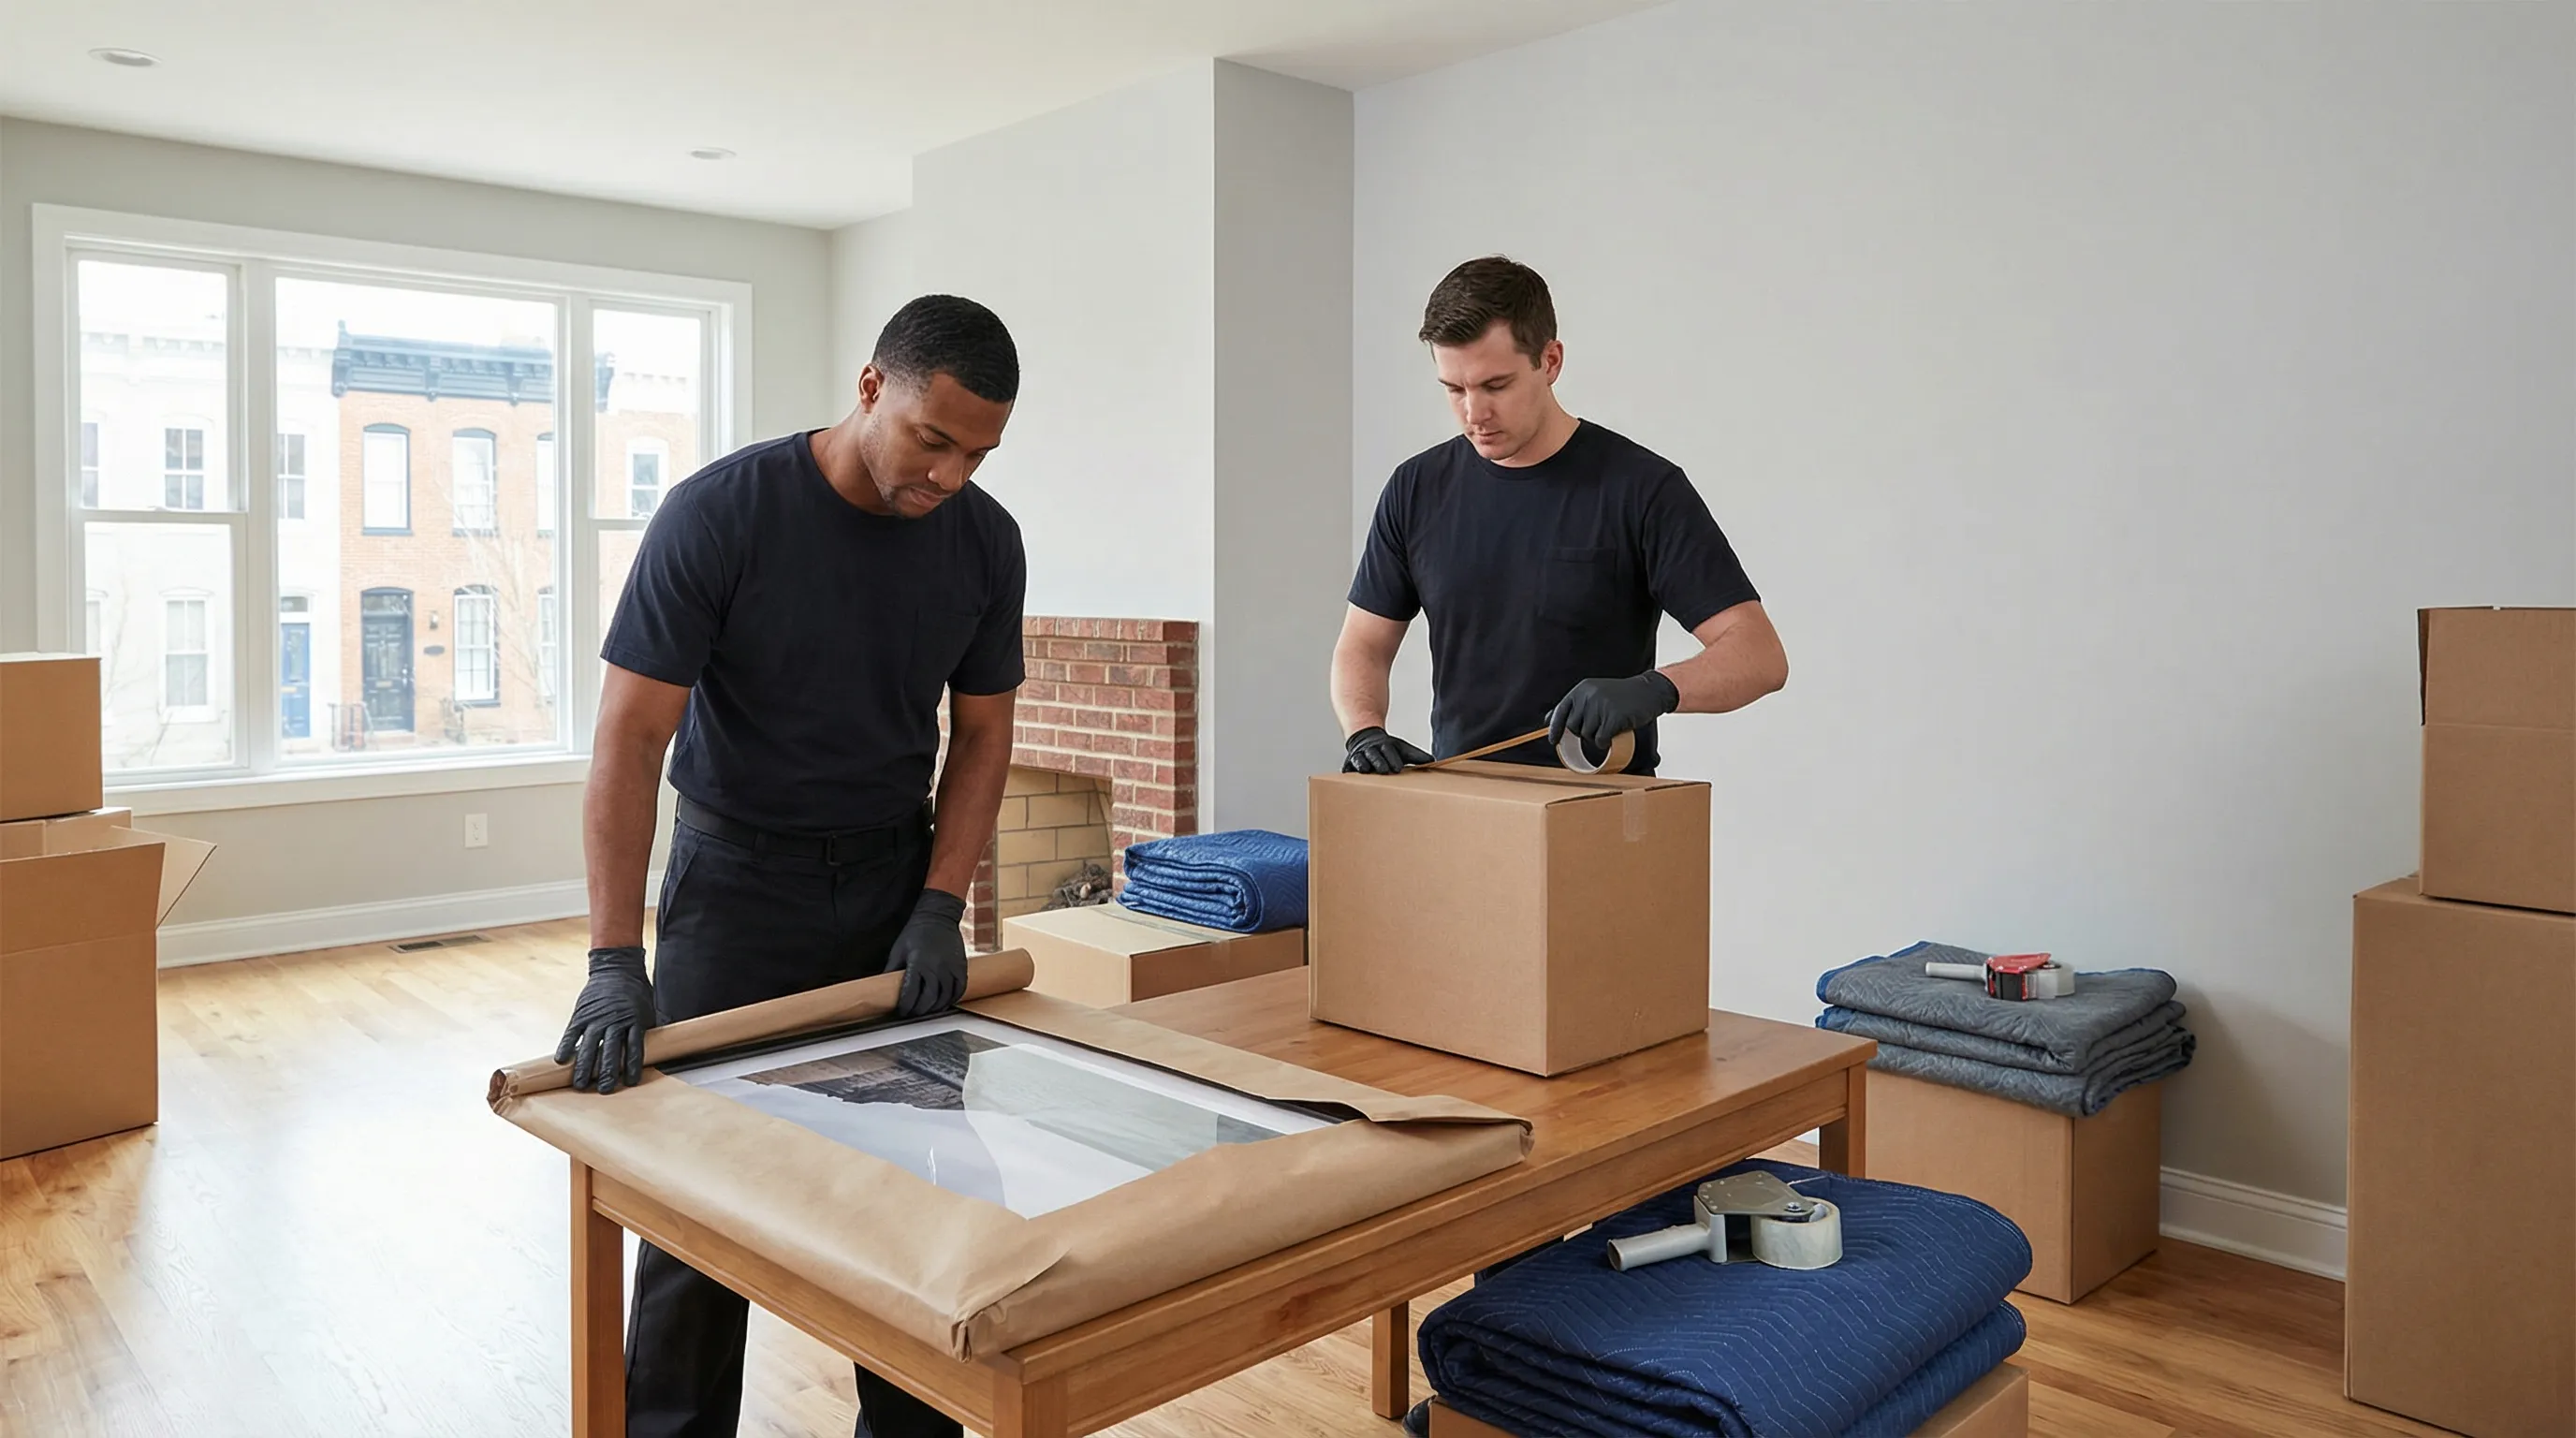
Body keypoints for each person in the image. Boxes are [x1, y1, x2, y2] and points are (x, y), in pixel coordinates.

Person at [553, 294, 1027, 1438]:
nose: (952, 474)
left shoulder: (984, 540)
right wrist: (616, 957)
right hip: (735, 887)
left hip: (887, 886)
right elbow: (630, 741)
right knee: (699, 1211)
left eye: (979, 452)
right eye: (933, 440)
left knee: (922, 1196)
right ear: (871, 388)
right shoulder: (722, 514)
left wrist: (940, 903)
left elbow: (984, 736)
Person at [1332, 256, 1789, 778]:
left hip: (1600, 812)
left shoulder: (1641, 489)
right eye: (1454, 389)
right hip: (1461, 802)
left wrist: (1655, 690)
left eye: (1495, 386)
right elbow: (1363, 644)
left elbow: (1760, 656)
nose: (1474, 414)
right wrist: (1364, 729)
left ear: (1550, 361)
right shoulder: (1415, 489)